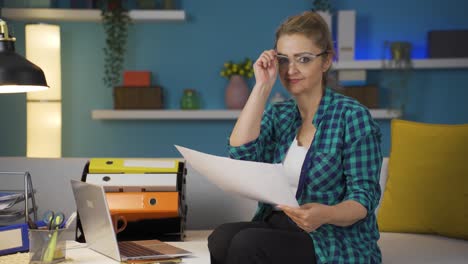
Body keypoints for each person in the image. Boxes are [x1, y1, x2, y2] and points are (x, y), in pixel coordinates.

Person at [207, 11, 383, 264]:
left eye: (303, 59)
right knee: (221, 237)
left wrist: (327, 214)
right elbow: (240, 155)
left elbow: (362, 200)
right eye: (283, 60)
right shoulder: (279, 114)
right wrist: (261, 87)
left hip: (330, 234)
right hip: (280, 225)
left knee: (248, 244)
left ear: (326, 61)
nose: (291, 70)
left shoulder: (352, 116)